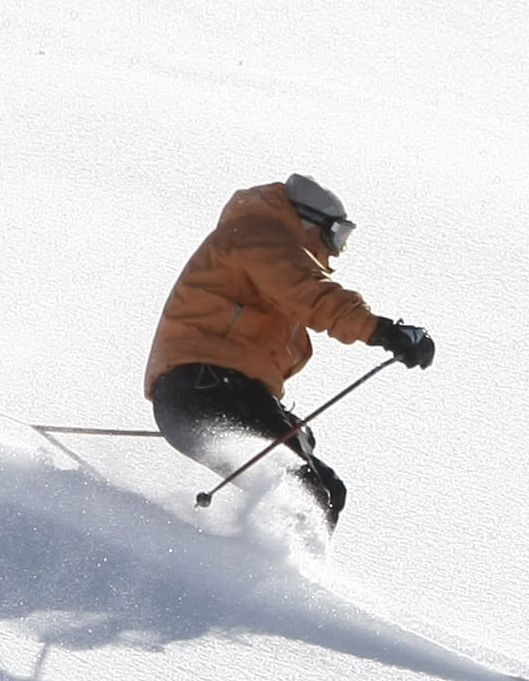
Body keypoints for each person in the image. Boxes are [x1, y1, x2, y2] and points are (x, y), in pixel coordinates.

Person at [142, 174, 434, 527]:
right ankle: (264, 578)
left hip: (205, 396)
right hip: (206, 388)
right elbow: (310, 295)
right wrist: (383, 331)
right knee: (302, 490)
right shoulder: (260, 237)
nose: (336, 250)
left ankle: (258, 563)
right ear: (307, 221)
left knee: (327, 491)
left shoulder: (264, 244)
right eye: (336, 235)